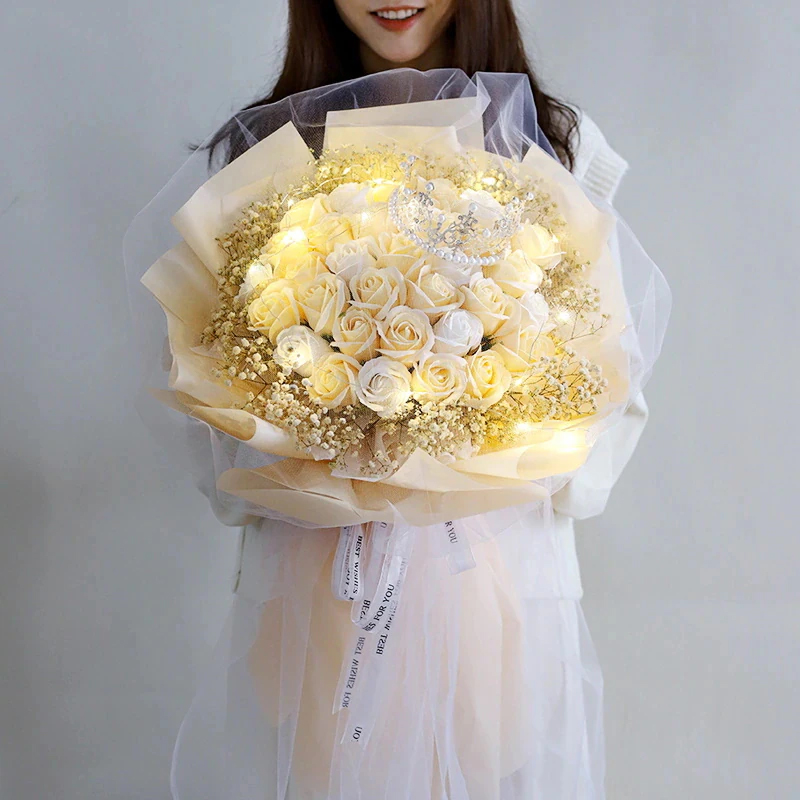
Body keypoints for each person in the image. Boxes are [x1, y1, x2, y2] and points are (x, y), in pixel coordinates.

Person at [180, 2, 650, 798]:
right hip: (314, 572)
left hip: (497, 567)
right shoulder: (262, 147)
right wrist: (327, 443)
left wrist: (475, 452)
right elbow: (209, 381)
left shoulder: (555, 143)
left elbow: (611, 368)